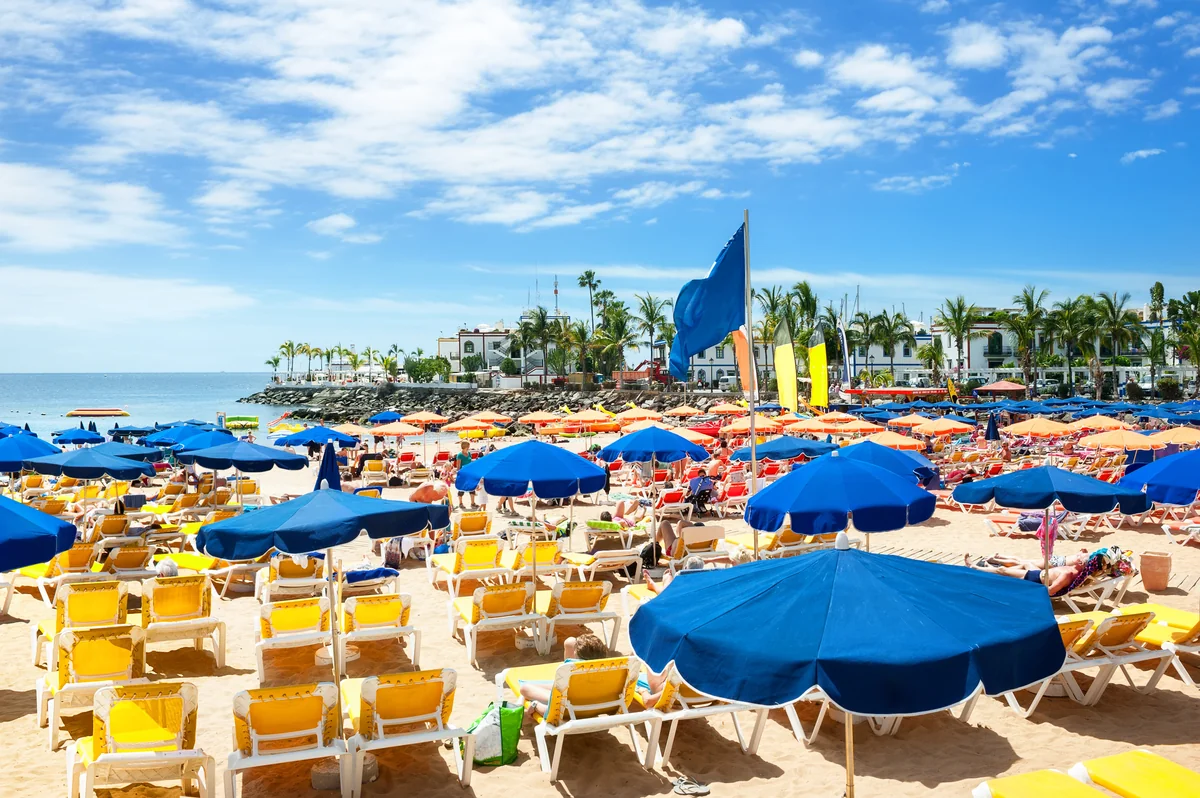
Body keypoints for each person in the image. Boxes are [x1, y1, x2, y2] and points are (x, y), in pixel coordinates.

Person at [965, 554, 1081, 596]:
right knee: (1025, 563)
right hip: (1039, 573)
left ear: (1082, 564)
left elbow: (1050, 591)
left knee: (1002, 570)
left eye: (1083, 559)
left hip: (1035, 579)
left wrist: (1033, 590)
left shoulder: (1067, 574)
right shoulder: (1073, 569)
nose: (1080, 557)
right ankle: (991, 568)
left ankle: (974, 568)